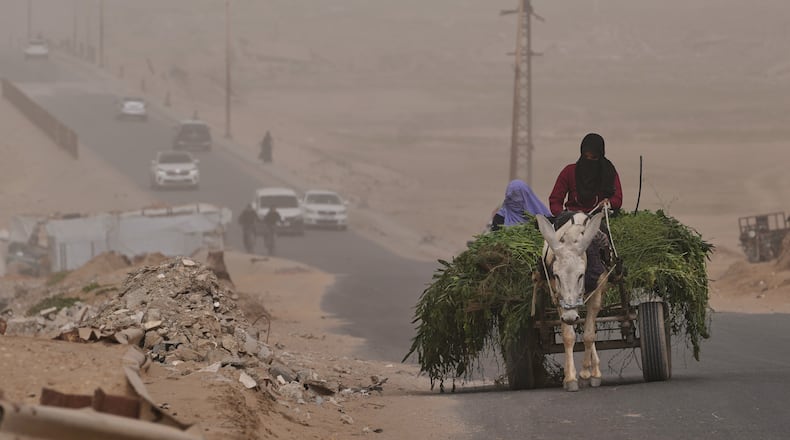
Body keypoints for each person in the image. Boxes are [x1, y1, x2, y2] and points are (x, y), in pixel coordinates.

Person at [548, 133, 623, 293]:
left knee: (601, 240)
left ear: (600, 156)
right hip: (570, 219)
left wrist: (607, 203)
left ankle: (605, 269)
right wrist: (564, 216)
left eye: (593, 158)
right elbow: (555, 200)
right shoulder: (569, 172)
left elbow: (617, 199)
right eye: (586, 157)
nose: (589, 161)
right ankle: (548, 272)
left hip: (594, 219)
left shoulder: (608, 173)